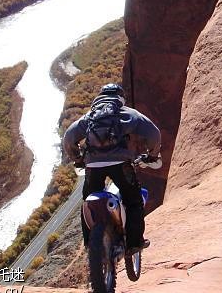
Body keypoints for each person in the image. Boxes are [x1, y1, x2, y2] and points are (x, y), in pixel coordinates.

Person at [62, 83, 161, 254]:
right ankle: (134, 243)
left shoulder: (89, 117)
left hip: (93, 166)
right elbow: (154, 134)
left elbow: (69, 138)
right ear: (120, 97)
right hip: (120, 164)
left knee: (88, 204)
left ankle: (90, 245)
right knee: (133, 201)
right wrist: (152, 155)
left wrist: (78, 159)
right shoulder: (127, 113)